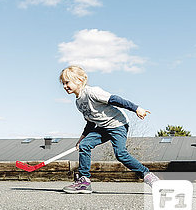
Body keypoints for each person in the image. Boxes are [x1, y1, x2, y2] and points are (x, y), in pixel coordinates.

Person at [59, 65, 159, 194]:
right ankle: (84, 181)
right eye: (63, 83)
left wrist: (136, 108)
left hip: (118, 124)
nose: (64, 86)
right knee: (84, 145)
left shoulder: (92, 92)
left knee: (121, 154)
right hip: (102, 127)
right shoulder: (78, 102)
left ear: (79, 80)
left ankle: (148, 176)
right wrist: (81, 139)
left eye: (67, 82)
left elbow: (116, 100)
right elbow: (90, 122)